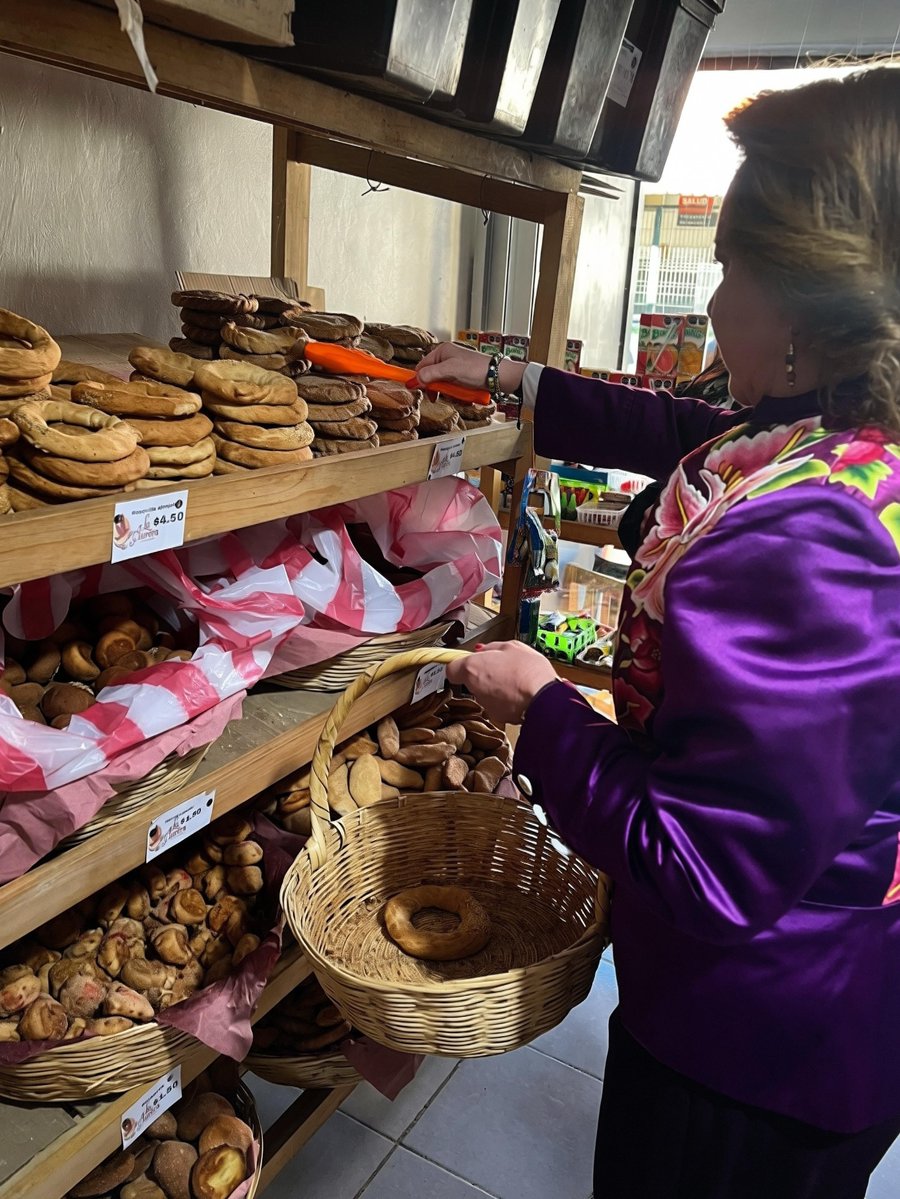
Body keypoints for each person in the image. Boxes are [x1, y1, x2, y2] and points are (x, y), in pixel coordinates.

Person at [413, 66, 900, 1199]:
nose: (714, 301)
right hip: (829, 1001)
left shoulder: (810, 535)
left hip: (755, 1044)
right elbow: (696, 425)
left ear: (802, 298)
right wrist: (518, 379)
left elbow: (705, 865)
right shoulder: (846, 428)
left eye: (728, 268)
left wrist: (543, 710)